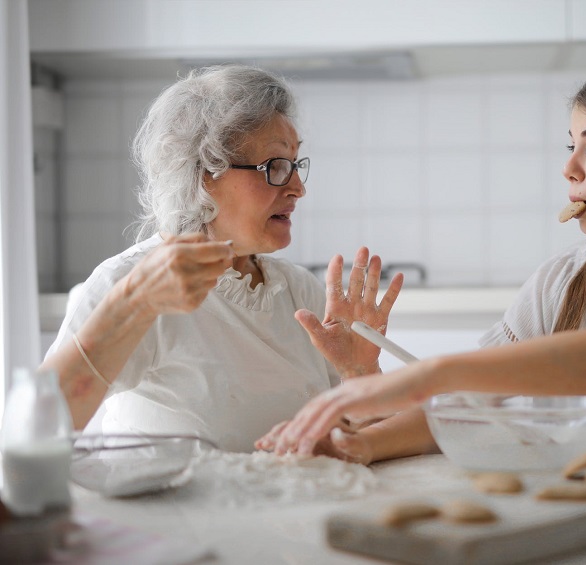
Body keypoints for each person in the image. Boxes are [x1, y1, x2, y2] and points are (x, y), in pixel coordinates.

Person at [257, 59, 586, 460]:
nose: (569, 168)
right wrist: (361, 444)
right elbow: (475, 404)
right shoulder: (561, 281)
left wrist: (435, 371)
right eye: (570, 145)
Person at [41, 65, 403, 453]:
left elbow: (359, 444)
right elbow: (41, 425)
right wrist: (132, 304)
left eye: (296, 165)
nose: (298, 188)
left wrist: (360, 374)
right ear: (202, 175)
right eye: (275, 167)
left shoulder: (299, 291)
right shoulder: (129, 282)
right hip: (175, 514)